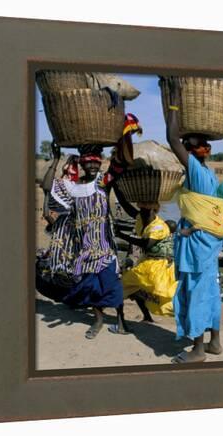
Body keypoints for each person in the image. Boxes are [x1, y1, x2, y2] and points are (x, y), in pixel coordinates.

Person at [36, 139, 135, 339]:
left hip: (105, 246)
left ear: (100, 162)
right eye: (88, 162)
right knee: (90, 287)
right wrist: (55, 159)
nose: (92, 165)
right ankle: (98, 320)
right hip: (85, 248)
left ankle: (120, 320)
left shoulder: (103, 183)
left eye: (96, 161)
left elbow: (124, 162)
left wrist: (125, 137)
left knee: (112, 284)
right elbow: (46, 186)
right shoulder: (73, 188)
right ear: (81, 163)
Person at [164, 77, 223, 363]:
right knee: (211, 290)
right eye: (190, 145)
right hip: (209, 243)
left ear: (205, 150)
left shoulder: (198, 172)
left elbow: (171, 138)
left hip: (198, 244)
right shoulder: (209, 175)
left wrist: (174, 100)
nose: (188, 148)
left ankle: (199, 350)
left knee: (196, 291)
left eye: (194, 144)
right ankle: (214, 343)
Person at [113, 198, 177, 322]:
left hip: (155, 268)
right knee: (134, 289)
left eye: (145, 210)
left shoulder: (158, 227)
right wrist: (117, 189)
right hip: (148, 265)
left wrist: (122, 235)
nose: (142, 212)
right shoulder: (145, 220)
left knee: (120, 289)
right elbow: (127, 207)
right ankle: (146, 317)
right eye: (141, 209)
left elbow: (146, 244)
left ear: (154, 210)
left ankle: (121, 324)